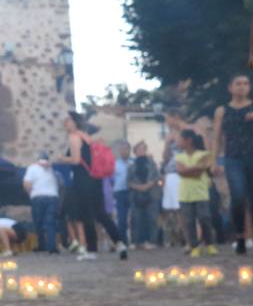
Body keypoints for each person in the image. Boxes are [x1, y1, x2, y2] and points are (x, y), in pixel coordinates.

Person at [214, 75, 253, 256]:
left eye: (246, 83)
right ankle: (240, 236)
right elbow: (217, 137)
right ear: (230, 88)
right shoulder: (222, 110)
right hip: (233, 158)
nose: (242, 87)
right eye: (238, 83)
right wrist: (214, 160)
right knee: (238, 196)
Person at [62, 112, 127, 261]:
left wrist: (62, 158)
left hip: (82, 180)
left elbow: (76, 160)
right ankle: (119, 243)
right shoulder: (87, 137)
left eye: (67, 120)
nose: (65, 123)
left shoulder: (74, 137)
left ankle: (91, 250)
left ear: (74, 122)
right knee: (101, 214)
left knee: (87, 215)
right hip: (96, 178)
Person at [176, 130, 219, 257]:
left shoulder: (204, 154)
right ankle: (194, 246)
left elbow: (197, 172)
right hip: (185, 194)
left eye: (180, 139)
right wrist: (196, 168)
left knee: (204, 218)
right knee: (189, 221)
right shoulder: (179, 156)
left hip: (201, 192)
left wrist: (187, 170)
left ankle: (209, 243)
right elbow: (181, 171)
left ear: (188, 140)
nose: (178, 142)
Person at [23, 154, 60, 253]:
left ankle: (42, 245)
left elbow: (27, 183)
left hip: (38, 197)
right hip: (53, 196)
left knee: (38, 222)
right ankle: (52, 247)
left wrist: (30, 193)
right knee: (50, 222)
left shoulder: (32, 168)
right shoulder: (52, 168)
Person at [128, 141, 161, 249]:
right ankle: (136, 241)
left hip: (151, 193)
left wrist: (148, 185)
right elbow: (128, 181)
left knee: (152, 218)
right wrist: (139, 187)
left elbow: (157, 177)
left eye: (143, 149)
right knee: (136, 219)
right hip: (136, 195)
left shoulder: (152, 163)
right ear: (135, 151)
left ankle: (152, 241)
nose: (141, 151)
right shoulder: (131, 165)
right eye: (139, 149)